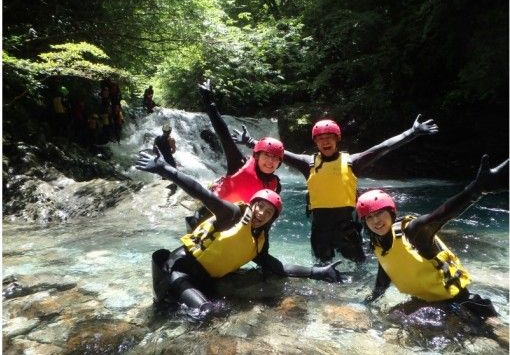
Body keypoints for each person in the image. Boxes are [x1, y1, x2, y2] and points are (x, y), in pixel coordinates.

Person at [135, 151, 346, 319]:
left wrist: (315, 272)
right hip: (176, 272)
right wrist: (165, 169)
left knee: (222, 309)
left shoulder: (258, 242)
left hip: (203, 279)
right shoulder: (233, 214)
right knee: (208, 313)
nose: (261, 213)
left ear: (273, 218)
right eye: (259, 206)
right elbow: (201, 192)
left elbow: (276, 266)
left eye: (268, 211)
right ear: (252, 205)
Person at [233, 115, 439, 265]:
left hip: (348, 228)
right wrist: (250, 142)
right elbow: (278, 153)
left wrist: (412, 132)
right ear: (316, 142)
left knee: (359, 266)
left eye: (329, 137)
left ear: (337, 139)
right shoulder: (308, 164)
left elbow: (383, 147)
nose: (325, 141)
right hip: (319, 230)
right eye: (320, 138)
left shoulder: (352, 162)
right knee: (322, 268)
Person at [355, 155, 508, 318]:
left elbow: (442, 214)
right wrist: (370, 300)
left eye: (380, 213)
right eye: (369, 217)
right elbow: (386, 272)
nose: (376, 221)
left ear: (391, 213)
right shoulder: (378, 243)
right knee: (392, 317)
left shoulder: (413, 231)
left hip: (462, 304)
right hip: (429, 305)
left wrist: (477, 189)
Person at [187, 79, 284, 230]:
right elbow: (223, 133)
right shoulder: (239, 164)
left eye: (275, 158)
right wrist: (209, 101)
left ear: (279, 163)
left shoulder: (275, 185)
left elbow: (268, 215)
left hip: (237, 226)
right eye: (267, 156)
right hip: (208, 219)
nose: (270, 161)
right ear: (257, 156)